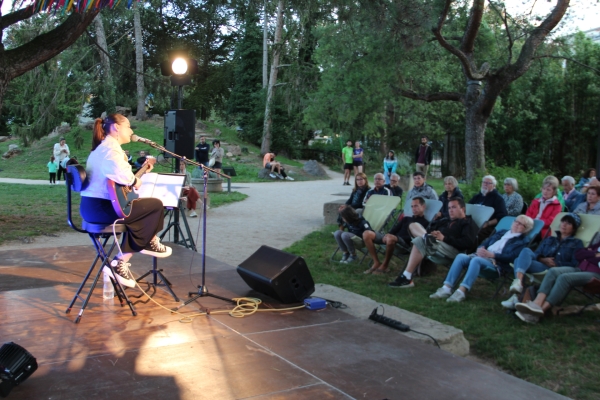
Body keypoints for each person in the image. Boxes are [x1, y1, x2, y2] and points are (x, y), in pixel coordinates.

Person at [79, 114, 171, 288]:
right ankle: (124, 259)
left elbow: (116, 178)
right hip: (101, 208)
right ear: (116, 127)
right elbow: (123, 176)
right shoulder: (110, 150)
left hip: (94, 207)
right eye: (128, 126)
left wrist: (141, 171)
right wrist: (137, 180)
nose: (131, 131)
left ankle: (143, 245)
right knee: (155, 206)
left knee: (139, 211)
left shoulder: (104, 148)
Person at [429, 215, 533, 302]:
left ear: (526, 229)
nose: (517, 224)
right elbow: (485, 243)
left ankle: (461, 291)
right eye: (516, 221)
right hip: (482, 256)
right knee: (461, 256)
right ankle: (446, 288)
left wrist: (493, 255)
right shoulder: (502, 232)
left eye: (521, 224)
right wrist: (480, 249)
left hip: (497, 264)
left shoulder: (522, 241)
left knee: (476, 260)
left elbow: (512, 257)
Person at [388, 197, 478, 288]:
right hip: (436, 243)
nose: (450, 210)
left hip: (453, 250)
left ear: (462, 209)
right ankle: (426, 238)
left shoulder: (468, 223)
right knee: (413, 225)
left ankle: (407, 277)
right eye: (449, 208)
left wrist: (444, 238)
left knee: (421, 240)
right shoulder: (446, 220)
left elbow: (467, 243)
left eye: (454, 207)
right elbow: (430, 228)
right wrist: (433, 233)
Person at [501, 213, 583, 310]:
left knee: (518, 260)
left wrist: (557, 264)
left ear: (574, 228)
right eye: (563, 222)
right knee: (525, 252)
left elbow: (575, 263)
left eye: (568, 223)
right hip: (541, 265)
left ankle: (516, 292)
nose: (564, 225)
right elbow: (536, 253)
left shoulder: (576, 243)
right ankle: (518, 284)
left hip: (554, 270)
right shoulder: (550, 239)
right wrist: (542, 259)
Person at [514, 238, 600, 324]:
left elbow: (592, 259)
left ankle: (539, 313)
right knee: (553, 271)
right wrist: (594, 254)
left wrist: (589, 254)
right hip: (580, 268)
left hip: (596, 273)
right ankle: (536, 304)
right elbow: (579, 254)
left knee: (565, 278)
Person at [363, 197, 429, 275]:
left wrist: (395, 238)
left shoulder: (425, 223)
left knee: (390, 238)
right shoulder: (406, 219)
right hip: (391, 238)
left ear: (423, 207)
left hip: (404, 243)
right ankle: (376, 262)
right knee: (367, 233)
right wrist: (388, 235)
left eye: (416, 206)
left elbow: (417, 239)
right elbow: (394, 230)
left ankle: (385, 266)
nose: (413, 208)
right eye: (412, 206)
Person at [468, 175, 507, 243]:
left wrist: (488, 223)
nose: (485, 184)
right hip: (473, 222)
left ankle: (467, 251)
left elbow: (502, 216)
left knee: (472, 234)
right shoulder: (477, 196)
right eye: (484, 182)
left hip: (488, 226)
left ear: (494, 186)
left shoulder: (498, 199)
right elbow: (468, 208)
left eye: (488, 183)